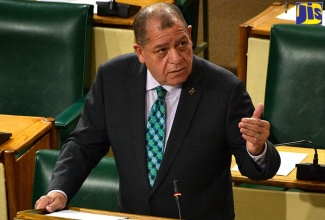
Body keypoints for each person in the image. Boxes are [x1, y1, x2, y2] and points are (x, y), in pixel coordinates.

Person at [35, 2, 280, 219]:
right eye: (162, 50)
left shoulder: (225, 89)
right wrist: (60, 190)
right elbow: (84, 143)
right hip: (133, 216)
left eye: (182, 44)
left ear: (191, 36)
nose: (176, 58)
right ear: (140, 52)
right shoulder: (113, 78)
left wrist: (257, 149)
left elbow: (258, 170)